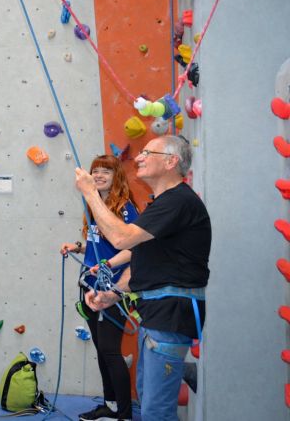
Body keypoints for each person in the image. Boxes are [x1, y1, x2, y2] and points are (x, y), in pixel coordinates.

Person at [76, 135, 211, 421]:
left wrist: (90, 193)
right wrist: (113, 293)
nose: (138, 158)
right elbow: (142, 260)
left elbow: (122, 237)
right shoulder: (163, 205)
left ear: (171, 161)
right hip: (155, 315)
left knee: (155, 411)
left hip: (169, 316)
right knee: (147, 396)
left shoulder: (178, 202)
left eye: (147, 153)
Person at [60, 154, 138, 421]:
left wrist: (112, 276)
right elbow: (100, 245)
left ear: (117, 176)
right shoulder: (94, 207)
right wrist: (78, 247)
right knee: (101, 350)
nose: (100, 175)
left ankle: (124, 415)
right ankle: (111, 405)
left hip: (112, 289)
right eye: (96, 171)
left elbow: (134, 249)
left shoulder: (125, 208)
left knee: (110, 351)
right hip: (90, 286)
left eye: (107, 171)